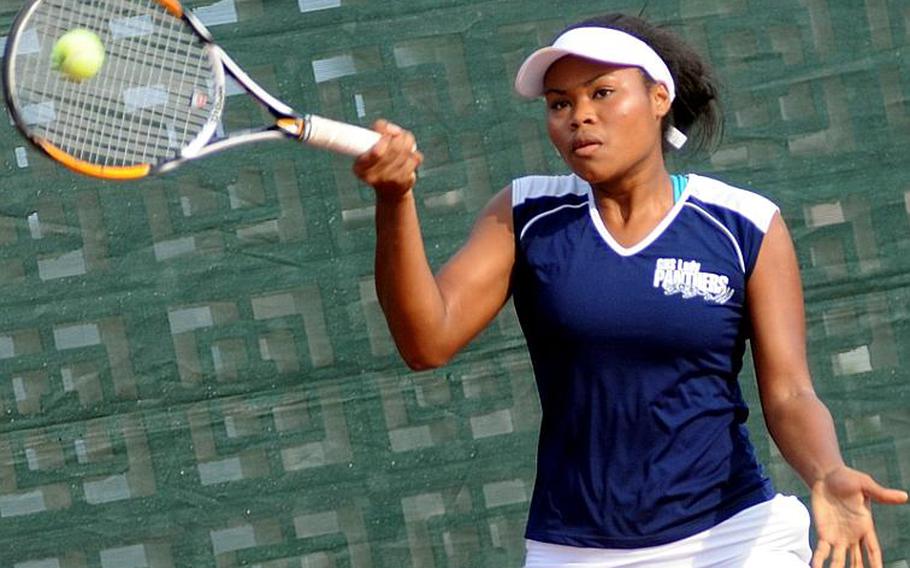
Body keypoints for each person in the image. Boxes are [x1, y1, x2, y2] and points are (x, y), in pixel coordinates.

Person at [352, 12, 908, 568]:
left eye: (602, 92)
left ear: (659, 97)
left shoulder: (745, 224)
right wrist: (395, 200)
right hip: (573, 548)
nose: (580, 117)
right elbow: (426, 341)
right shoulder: (526, 214)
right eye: (559, 103)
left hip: (734, 539)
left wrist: (827, 471)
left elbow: (790, 393)